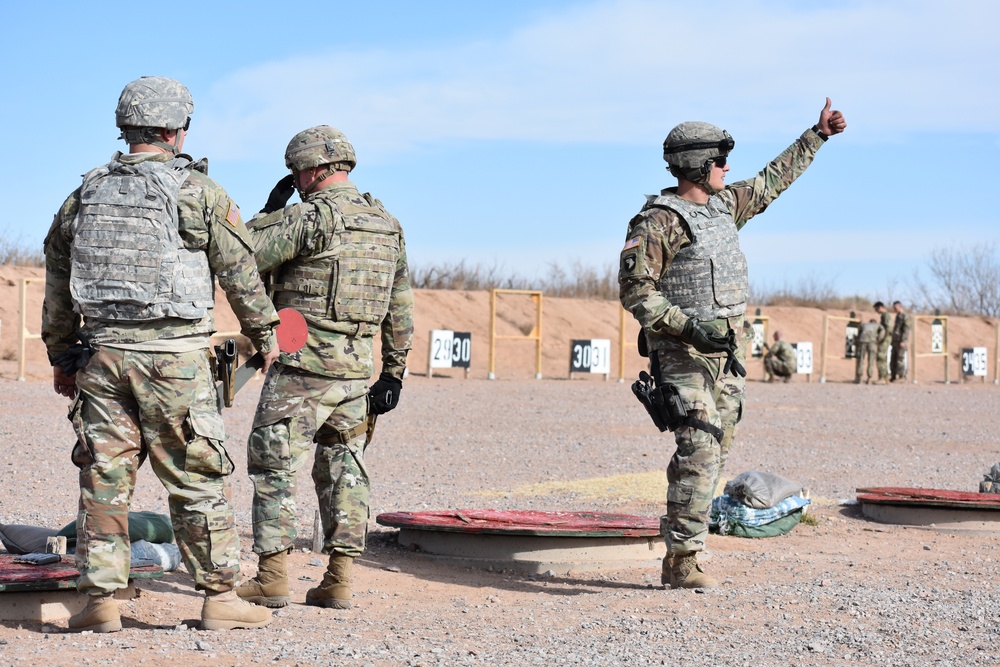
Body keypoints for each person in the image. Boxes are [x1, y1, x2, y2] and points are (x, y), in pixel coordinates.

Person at [41, 76, 281, 632]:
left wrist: (61, 355)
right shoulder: (198, 190)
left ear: (127, 127)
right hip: (176, 362)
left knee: (105, 477)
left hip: (102, 359)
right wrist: (264, 337)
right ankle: (219, 599)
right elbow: (240, 273)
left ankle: (100, 602)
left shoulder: (84, 194)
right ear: (176, 129)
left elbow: (58, 281)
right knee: (197, 478)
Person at [619, 99, 846, 589]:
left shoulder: (724, 206)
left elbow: (772, 180)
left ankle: (687, 540)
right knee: (698, 445)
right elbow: (636, 291)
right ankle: (682, 559)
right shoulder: (658, 221)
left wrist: (817, 135)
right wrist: (687, 327)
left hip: (728, 356)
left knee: (718, 451)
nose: (727, 168)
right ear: (697, 164)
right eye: (719, 160)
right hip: (683, 352)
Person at [236, 126, 414, 611]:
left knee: (274, 468)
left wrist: (270, 212)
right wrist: (393, 372)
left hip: (302, 370)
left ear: (310, 170)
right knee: (345, 471)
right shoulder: (386, 223)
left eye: (296, 173)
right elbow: (400, 306)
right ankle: (339, 580)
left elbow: (240, 253)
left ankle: (272, 577)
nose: (296, 179)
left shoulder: (310, 218)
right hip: (357, 374)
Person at [890, 301, 913, 382]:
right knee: (893, 359)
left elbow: (906, 330)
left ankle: (901, 377)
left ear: (900, 306)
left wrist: (903, 340)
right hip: (895, 341)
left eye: (895, 308)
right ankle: (893, 376)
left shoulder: (906, 316)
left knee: (900, 359)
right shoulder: (898, 316)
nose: (894, 309)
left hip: (901, 341)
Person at [855, 319, 882, 384]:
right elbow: (883, 330)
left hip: (862, 341)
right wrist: (879, 339)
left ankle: (860, 378)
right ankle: (869, 378)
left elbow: (859, 332)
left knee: (861, 359)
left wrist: (858, 340)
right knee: (871, 360)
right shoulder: (877, 325)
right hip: (872, 342)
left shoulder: (864, 324)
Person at [874, 301, 892, 384]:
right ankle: (885, 378)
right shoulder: (884, 315)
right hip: (885, 338)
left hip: (885, 339)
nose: (876, 311)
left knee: (880, 357)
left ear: (880, 307)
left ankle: (882, 378)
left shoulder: (886, 315)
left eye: (876, 309)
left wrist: (883, 339)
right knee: (883, 358)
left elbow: (888, 328)